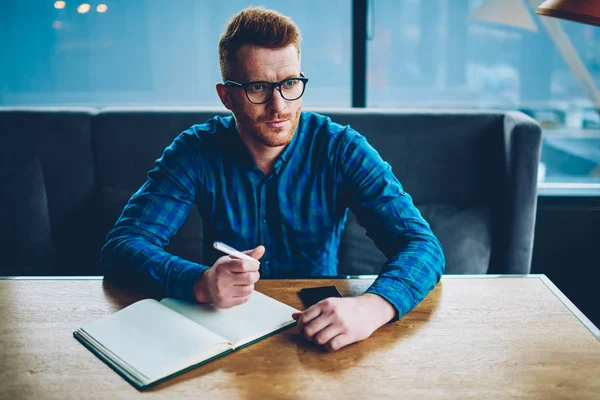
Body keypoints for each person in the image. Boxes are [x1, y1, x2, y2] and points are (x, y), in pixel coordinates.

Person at [101, 7, 445, 352]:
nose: (278, 105)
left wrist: (371, 308)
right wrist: (200, 282)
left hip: (321, 324)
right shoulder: (196, 150)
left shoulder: (341, 149)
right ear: (227, 97)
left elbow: (421, 244)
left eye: (290, 83)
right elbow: (123, 245)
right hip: (225, 331)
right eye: (258, 87)